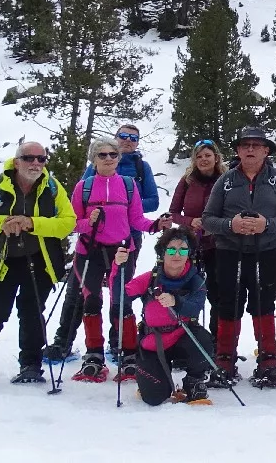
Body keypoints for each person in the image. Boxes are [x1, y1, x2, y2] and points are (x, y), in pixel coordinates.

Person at [0, 143, 77, 386]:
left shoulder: (52, 187)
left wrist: (32, 223)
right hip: (2, 262)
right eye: (29, 158)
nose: (36, 163)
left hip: (40, 261)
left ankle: (31, 366)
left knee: (32, 314)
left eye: (41, 159)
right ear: (16, 161)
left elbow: (67, 222)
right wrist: (2, 223)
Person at [55, 138, 162, 382]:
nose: (109, 159)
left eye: (113, 154)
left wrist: (155, 225)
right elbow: (72, 223)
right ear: (93, 159)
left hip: (122, 251)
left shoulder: (128, 185)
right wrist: (87, 222)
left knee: (121, 302)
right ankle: (94, 355)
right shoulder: (84, 186)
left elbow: (136, 220)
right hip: (89, 252)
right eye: (102, 155)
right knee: (91, 301)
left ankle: (128, 355)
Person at [201, 126, 276, 389]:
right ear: (237, 150)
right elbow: (208, 219)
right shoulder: (226, 181)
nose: (251, 149)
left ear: (266, 150)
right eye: (246, 145)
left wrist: (266, 225)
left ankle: (268, 362)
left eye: (257, 145)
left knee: (264, 304)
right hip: (229, 251)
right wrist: (230, 225)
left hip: (266, 251)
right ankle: (224, 360)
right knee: (228, 304)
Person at [84, 124, 160, 353]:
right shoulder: (94, 166)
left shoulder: (140, 167)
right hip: (94, 241)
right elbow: (82, 199)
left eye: (133, 138)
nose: (128, 141)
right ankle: (68, 343)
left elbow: (152, 202)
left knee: (120, 291)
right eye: (124, 136)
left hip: (128, 239)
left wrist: (124, 207)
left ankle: (119, 342)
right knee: (87, 294)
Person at [118, 227, 215, 406]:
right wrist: (119, 268)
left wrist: (175, 301)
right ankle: (154, 380)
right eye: (171, 249)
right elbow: (120, 296)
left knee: (204, 341)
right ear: (163, 252)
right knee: (154, 398)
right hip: (152, 342)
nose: (177, 254)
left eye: (182, 249)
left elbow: (195, 308)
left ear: (189, 253)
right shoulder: (149, 278)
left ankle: (194, 381)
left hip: (182, 337)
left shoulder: (196, 280)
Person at [169, 139, 225, 330]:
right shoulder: (187, 181)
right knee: (185, 289)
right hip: (191, 243)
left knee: (218, 292)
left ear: (216, 158)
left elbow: (233, 210)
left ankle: (217, 339)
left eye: (207, 155)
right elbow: (173, 213)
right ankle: (184, 334)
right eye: (199, 156)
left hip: (219, 244)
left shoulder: (226, 179)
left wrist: (215, 225)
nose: (203, 160)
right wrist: (190, 221)